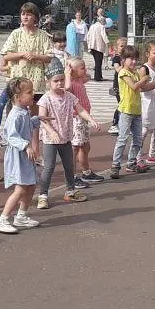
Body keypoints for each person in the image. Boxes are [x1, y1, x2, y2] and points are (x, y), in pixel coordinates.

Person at [35, 59, 97, 209]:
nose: (60, 83)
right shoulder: (45, 99)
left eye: (62, 80)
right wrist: (51, 132)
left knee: (69, 165)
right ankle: (43, 195)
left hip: (66, 137)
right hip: (51, 140)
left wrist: (90, 119)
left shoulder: (69, 96)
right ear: (48, 82)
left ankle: (70, 191)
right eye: (56, 81)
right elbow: (42, 119)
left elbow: (80, 109)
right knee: (49, 167)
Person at [109, 45, 155, 177]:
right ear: (123, 59)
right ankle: (115, 165)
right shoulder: (123, 72)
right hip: (126, 110)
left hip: (137, 110)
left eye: (136, 59)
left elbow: (144, 87)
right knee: (122, 138)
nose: (134, 62)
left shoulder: (135, 73)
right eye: (131, 59)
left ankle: (131, 163)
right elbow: (134, 86)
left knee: (137, 139)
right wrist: (144, 79)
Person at [0, 78, 41, 234]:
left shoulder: (24, 111)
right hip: (18, 155)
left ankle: (21, 215)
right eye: (29, 92)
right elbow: (11, 136)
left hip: (25, 155)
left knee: (31, 184)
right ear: (17, 97)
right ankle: (2, 219)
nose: (33, 94)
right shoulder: (15, 115)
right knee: (20, 188)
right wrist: (26, 146)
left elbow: (26, 126)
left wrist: (37, 120)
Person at [0, 2, 53, 99]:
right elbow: (6, 56)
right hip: (18, 79)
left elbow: (50, 57)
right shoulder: (16, 34)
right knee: (17, 105)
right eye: (23, 14)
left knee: (35, 106)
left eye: (28, 14)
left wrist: (36, 56)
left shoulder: (42, 35)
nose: (25, 17)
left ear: (35, 17)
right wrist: (22, 54)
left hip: (37, 82)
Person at [66, 57, 101, 186]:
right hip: (76, 118)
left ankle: (86, 172)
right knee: (75, 147)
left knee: (85, 146)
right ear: (72, 71)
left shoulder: (79, 80)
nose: (85, 70)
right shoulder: (70, 83)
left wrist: (82, 72)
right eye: (82, 68)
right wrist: (68, 73)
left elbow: (88, 77)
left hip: (83, 118)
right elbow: (67, 88)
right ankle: (72, 176)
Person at [86, 10, 110, 83]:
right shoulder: (101, 27)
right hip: (99, 47)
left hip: (92, 46)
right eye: (104, 22)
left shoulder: (92, 26)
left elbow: (88, 36)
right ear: (102, 21)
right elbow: (104, 36)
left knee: (96, 61)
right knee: (98, 62)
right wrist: (108, 43)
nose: (104, 24)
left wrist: (89, 45)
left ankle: (99, 76)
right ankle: (97, 77)